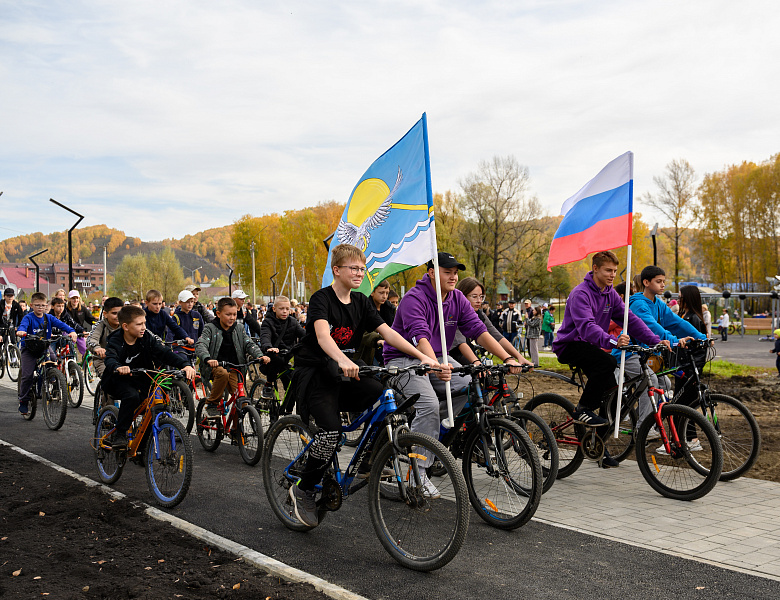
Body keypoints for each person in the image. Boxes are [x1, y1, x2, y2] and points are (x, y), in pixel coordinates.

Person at [288, 244, 441, 527]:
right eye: (354, 268)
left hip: (347, 372)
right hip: (317, 373)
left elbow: (389, 333)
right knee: (330, 433)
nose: (360, 273)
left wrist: (422, 357)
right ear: (337, 270)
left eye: (362, 269)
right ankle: (304, 488)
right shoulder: (321, 299)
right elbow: (323, 337)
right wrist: (341, 359)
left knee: (383, 393)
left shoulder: (362, 301)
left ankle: (369, 453)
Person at [384, 252, 523, 494]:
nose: (453, 276)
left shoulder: (457, 297)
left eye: (455, 272)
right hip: (404, 358)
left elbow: (480, 331)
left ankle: (430, 433)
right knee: (427, 404)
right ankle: (418, 472)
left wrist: (508, 357)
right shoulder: (413, 299)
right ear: (431, 272)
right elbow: (420, 337)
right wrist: (433, 365)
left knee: (473, 385)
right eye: (447, 271)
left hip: (438, 357)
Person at [552, 251, 661, 468]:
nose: (612, 275)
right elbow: (586, 327)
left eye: (614, 271)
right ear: (595, 269)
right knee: (608, 362)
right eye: (608, 270)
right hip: (570, 345)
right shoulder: (580, 293)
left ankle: (598, 446)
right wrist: (612, 341)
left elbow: (630, 319)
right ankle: (582, 410)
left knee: (614, 395)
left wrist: (655, 341)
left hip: (591, 347)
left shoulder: (610, 294)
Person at [622, 268, 705, 433]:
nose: (663, 285)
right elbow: (654, 329)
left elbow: (676, 322)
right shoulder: (638, 304)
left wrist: (701, 336)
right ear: (646, 283)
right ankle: (642, 429)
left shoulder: (658, 303)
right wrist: (675, 341)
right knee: (650, 381)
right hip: (629, 352)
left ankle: (642, 419)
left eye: (663, 281)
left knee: (663, 383)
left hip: (644, 354)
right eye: (658, 281)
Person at [102, 305, 196, 447]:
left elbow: (164, 352)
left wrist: (184, 364)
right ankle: (120, 433)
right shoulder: (115, 340)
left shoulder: (146, 338)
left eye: (144, 323)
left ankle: (143, 447)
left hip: (142, 379)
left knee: (153, 407)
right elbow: (110, 358)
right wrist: (118, 367)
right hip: (118, 380)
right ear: (126, 326)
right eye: (139, 324)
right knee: (131, 396)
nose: (143, 327)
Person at [195, 297, 269, 416]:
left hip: (234, 367)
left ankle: (235, 431)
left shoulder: (238, 328)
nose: (232, 318)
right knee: (222, 374)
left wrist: (260, 355)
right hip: (215, 366)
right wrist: (207, 358)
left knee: (242, 402)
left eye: (234, 314)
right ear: (218, 314)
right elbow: (201, 344)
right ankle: (212, 403)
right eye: (228, 314)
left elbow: (248, 343)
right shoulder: (210, 328)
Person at [449, 277, 532, 369]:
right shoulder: (453, 312)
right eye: (474, 296)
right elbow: (460, 343)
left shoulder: (479, 314)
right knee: (474, 376)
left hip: (468, 350)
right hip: (452, 354)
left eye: (481, 296)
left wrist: (519, 357)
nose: (479, 300)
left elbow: (497, 336)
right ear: (462, 296)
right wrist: (476, 362)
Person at [17, 292, 78, 415]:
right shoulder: (28, 317)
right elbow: (22, 326)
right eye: (37, 305)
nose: (40, 308)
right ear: (31, 305)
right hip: (29, 349)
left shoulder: (48, 318)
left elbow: (62, 325)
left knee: (53, 360)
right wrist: (21, 331)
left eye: (43, 305)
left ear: (46, 306)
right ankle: (23, 400)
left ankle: (51, 380)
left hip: (44, 347)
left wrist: (72, 331)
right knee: (27, 375)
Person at [258, 295, 305, 399]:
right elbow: (265, 336)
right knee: (274, 359)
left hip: (287, 355)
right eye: (281, 308)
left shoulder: (292, 321)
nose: (285, 311)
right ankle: (268, 385)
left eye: (287, 309)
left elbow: (303, 334)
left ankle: (288, 411)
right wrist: (268, 347)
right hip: (272, 356)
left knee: (292, 385)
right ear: (274, 309)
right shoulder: (268, 322)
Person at [87, 297, 124, 378]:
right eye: (114, 313)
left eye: (120, 313)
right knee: (109, 380)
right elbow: (91, 339)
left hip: (122, 360)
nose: (118, 316)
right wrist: (97, 348)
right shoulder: (100, 325)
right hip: (103, 360)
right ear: (105, 314)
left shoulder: (126, 325)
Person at [65, 290, 97, 357]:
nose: (75, 300)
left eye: (77, 298)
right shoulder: (65, 309)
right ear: (69, 299)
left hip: (80, 333)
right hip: (69, 333)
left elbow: (91, 319)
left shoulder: (83, 309)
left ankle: (85, 366)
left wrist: (96, 324)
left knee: (86, 352)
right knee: (69, 351)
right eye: (73, 298)